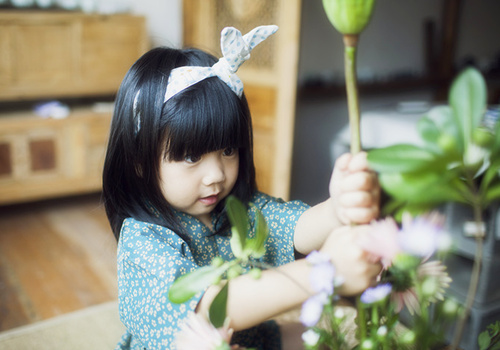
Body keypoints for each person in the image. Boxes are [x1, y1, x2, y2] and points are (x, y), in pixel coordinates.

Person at [102, 25, 381, 350]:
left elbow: (294, 227)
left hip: (251, 339)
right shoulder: (141, 241)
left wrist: (340, 206)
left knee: (333, 337)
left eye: (228, 151)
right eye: (192, 156)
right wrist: (324, 271)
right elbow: (209, 311)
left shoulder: (235, 209)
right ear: (139, 161)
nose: (216, 175)